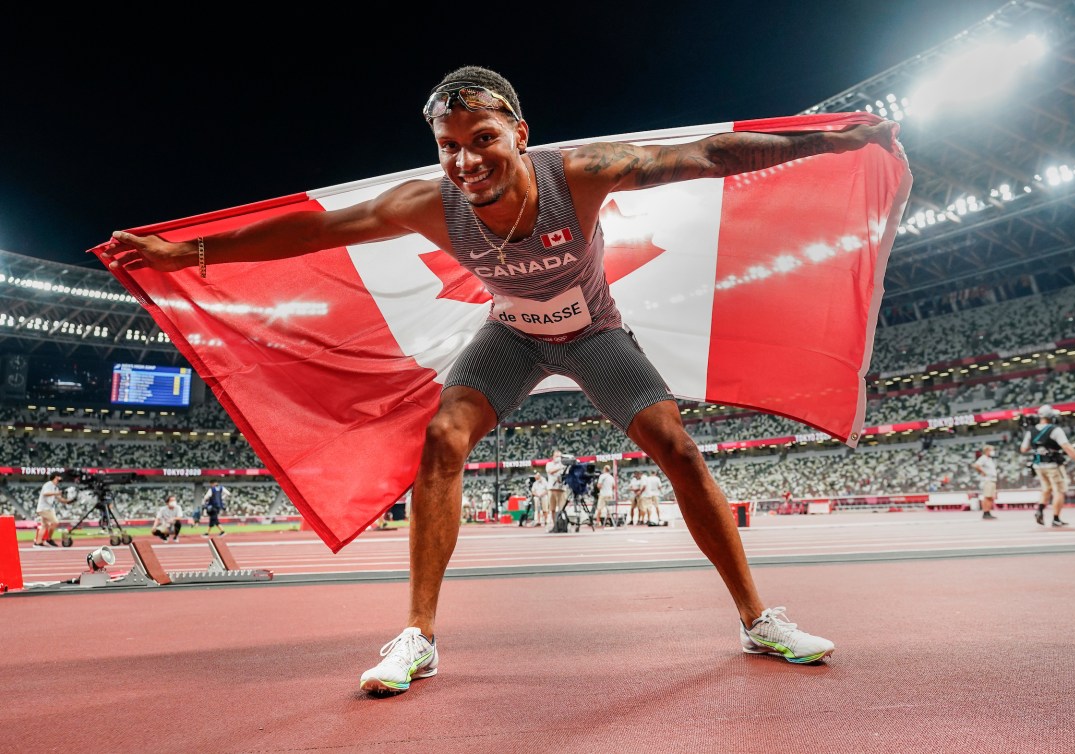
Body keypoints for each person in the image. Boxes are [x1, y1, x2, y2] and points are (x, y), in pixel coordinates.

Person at [104, 65, 898, 694]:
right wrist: (192, 256)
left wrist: (822, 145)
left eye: (481, 138)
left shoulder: (578, 175)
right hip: (512, 334)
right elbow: (317, 229)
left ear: (519, 133)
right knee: (442, 437)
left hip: (592, 333)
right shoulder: (429, 202)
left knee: (678, 450)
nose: (465, 160)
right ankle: (416, 636)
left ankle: (758, 618)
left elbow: (702, 157)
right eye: (448, 145)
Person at [1020, 404, 1075, 527]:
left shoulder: (1031, 431)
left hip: (1038, 465)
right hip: (1053, 465)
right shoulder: (1055, 430)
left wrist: (1039, 446)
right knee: (1059, 491)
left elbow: (1024, 449)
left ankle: (1039, 510)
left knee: (1046, 489)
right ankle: (1056, 518)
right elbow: (1067, 447)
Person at [32, 471, 64, 548]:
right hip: (44, 508)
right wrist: (57, 493)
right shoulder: (48, 484)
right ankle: (48, 539)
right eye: (59, 476)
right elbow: (45, 493)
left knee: (44, 526)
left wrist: (69, 501)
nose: (61, 478)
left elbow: (59, 498)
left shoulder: (55, 487)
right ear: (56, 477)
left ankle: (38, 542)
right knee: (55, 522)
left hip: (46, 508)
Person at [970, 445, 998, 520]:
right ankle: (985, 512)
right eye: (991, 450)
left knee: (991, 497)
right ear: (987, 451)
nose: (992, 452)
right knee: (987, 496)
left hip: (992, 480)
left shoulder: (989, 459)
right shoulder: (984, 458)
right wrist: (982, 472)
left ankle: (988, 512)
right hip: (987, 480)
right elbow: (976, 465)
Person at [544, 449, 566, 531]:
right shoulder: (549, 464)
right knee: (552, 509)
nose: (558, 458)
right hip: (551, 488)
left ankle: (562, 524)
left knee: (561, 508)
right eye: (556, 456)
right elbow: (550, 471)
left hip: (561, 489)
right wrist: (560, 468)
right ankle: (554, 524)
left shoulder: (564, 465)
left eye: (559, 456)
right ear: (553, 457)